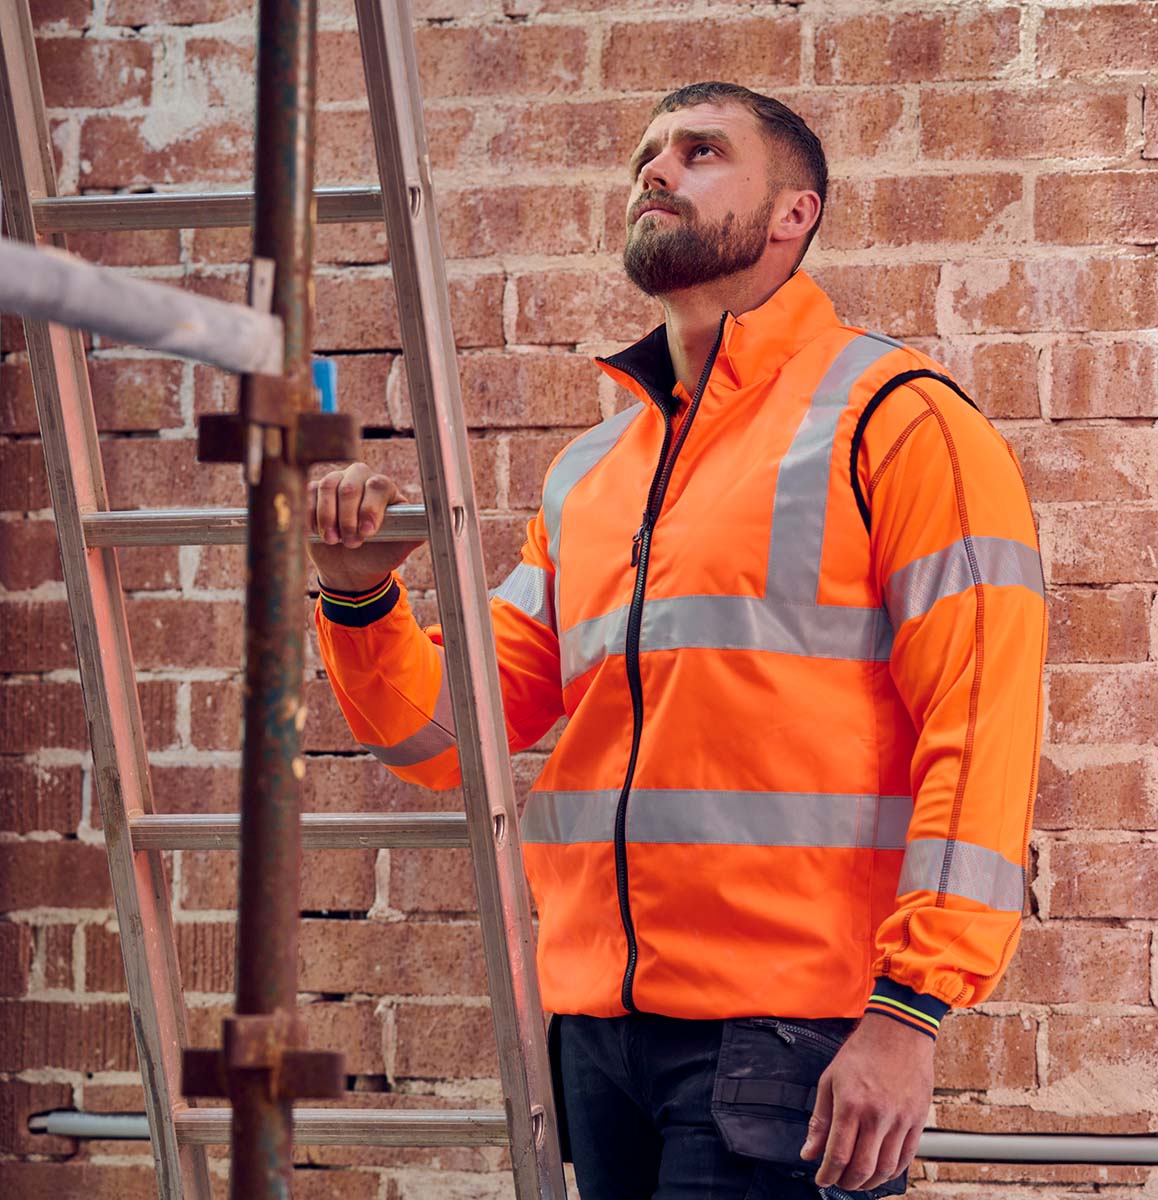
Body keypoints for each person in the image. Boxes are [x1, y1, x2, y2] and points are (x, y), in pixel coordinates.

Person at [307, 81, 1048, 1200]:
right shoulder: (591, 476)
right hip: (600, 1037)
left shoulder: (901, 419)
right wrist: (361, 602)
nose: (655, 172)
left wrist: (912, 1012)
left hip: (790, 1040)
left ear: (795, 214)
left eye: (701, 153)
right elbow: (452, 740)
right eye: (648, 154)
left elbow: (985, 725)